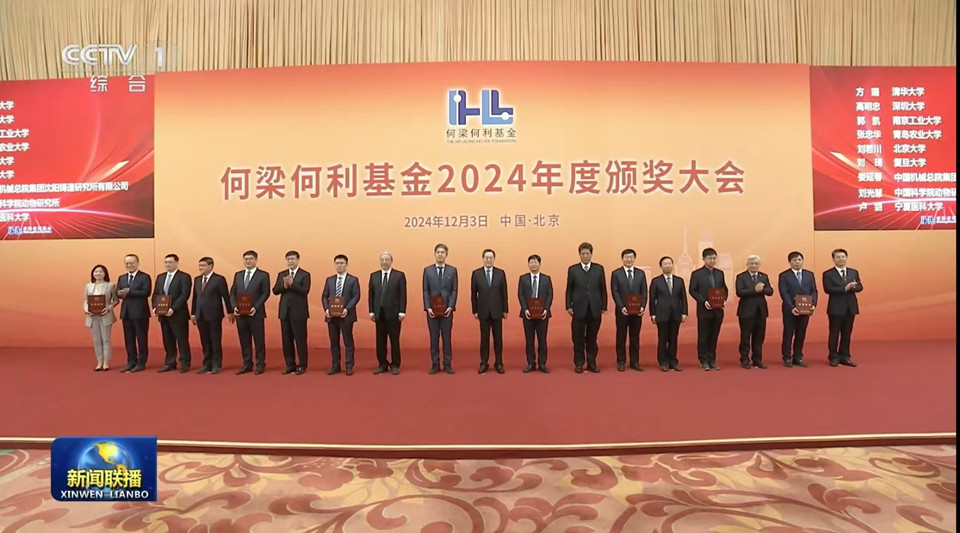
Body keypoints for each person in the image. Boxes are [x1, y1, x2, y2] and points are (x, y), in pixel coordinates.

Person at [566, 242, 607, 373]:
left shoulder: (599, 269)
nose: (585, 256)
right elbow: (569, 289)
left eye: (587, 253)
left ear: (591, 254)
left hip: (595, 308)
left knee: (592, 338)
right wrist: (568, 305)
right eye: (582, 254)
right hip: (578, 308)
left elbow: (603, 288)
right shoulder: (573, 269)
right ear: (579, 255)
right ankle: (579, 363)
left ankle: (592, 363)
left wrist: (604, 305)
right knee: (577, 338)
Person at [230, 250, 271, 374]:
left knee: (259, 340)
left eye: (250, 259)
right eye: (246, 259)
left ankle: (260, 364)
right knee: (244, 340)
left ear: (256, 260)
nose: (248, 261)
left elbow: (265, 293)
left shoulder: (263, 275)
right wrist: (234, 307)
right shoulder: (238, 275)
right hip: (240, 314)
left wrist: (256, 307)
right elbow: (233, 292)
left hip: (256, 313)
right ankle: (247, 363)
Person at [689, 247, 728, 371]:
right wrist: (703, 301)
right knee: (703, 336)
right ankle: (703, 360)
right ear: (704, 259)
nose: (712, 260)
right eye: (710, 258)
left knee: (714, 336)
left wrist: (724, 299)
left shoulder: (720, 273)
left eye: (714, 258)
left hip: (718, 310)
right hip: (704, 310)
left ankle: (712, 360)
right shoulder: (697, 274)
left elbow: (724, 289)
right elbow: (692, 290)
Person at [470, 249, 509, 374]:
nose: (488, 260)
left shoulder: (500, 273)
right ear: (483, 258)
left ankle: (499, 363)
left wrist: (505, 309)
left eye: (491, 258)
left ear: (494, 259)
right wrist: (475, 310)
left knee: (498, 339)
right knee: (484, 339)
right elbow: (473, 294)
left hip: (497, 311)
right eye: (486, 258)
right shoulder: (476, 274)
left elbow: (504, 292)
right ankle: (484, 363)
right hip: (483, 311)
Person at [191, 257, 232, 374]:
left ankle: (216, 364)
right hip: (200, 315)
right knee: (204, 341)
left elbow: (226, 296)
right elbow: (195, 297)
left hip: (214, 315)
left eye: (203, 265)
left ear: (211, 266)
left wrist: (230, 312)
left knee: (215, 340)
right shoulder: (197, 279)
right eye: (200, 266)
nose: (201, 268)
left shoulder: (219, 279)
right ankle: (206, 364)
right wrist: (193, 313)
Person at [273, 251, 311, 375]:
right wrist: (284, 285)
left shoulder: (305, 274)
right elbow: (275, 290)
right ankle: (290, 364)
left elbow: (305, 290)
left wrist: (292, 284)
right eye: (288, 259)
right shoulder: (282, 274)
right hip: (284, 312)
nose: (290, 261)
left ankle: (302, 365)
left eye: (292, 259)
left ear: (298, 260)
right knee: (286, 340)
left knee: (300, 340)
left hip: (299, 312)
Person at [822, 248, 862, 367]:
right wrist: (845, 288)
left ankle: (845, 356)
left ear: (846, 258)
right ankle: (833, 357)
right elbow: (828, 289)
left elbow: (860, 286)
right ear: (833, 259)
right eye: (838, 257)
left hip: (850, 307)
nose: (841, 259)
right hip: (836, 308)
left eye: (843, 257)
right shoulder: (828, 274)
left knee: (847, 334)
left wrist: (854, 287)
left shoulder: (853, 272)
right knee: (834, 333)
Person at [321, 254, 361, 375]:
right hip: (331, 316)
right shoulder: (330, 280)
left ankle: (349, 366)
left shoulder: (353, 280)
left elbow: (356, 296)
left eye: (342, 263)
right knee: (334, 342)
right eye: (337, 263)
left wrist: (347, 309)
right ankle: (335, 365)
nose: (339, 265)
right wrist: (326, 309)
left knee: (348, 341)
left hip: (346, 315)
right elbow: (324, 296)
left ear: (346, 264)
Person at [368, 251, 407, 375]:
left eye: (387, 260)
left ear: (391, 261)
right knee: (380, 341)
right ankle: (382, 364)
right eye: (382, 260)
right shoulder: (374, 276)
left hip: (394, 314)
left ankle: (395, 364)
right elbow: (371, 295)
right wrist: (371, 311)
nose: (384, 262)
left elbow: (403, 294)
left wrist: (402, 311)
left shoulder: (399, 275)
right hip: (379, 314)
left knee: (394, 341)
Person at [154, 254, 193, 373]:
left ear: (177, 263)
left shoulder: (184, 277)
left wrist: (173, 309)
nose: (167, 264)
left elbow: (184, 295)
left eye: (170, 262)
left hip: (178, 314)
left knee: (182, 340)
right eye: (166, 262)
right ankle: (170, 362)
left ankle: (185, 363)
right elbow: (155, 294)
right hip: (163, 315)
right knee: (168, 340)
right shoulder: (160, 277)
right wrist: (155, 307)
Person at [422, 243, 458, 374]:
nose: (440, 255)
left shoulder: (452, 270)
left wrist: (451, 306)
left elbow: (454, 290)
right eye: (438, 252)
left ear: (446, 255)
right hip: (432, 311)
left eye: (443, 252)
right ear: (434, 254)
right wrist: (427, 307)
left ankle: (447, 364)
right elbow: (425, 290)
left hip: (447, 311)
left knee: (447, 338)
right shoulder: (428, 270)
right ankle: (435, 364)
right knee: (434, 338)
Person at [778, 251, 817, 368]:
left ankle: (798, 356)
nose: (797, 262)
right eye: (794, 260)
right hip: (790, 310)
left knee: (801, 334)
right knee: (788, 334)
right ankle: (787, 357)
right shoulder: (784, 275)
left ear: (803, 261)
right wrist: (791, 307)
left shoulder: (809, 274)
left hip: (805, 310)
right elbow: (784, 293)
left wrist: (813, 304)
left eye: (799, 260)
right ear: (790, 262)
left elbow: (814, 291)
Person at [610, 248, 647, 371]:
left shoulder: (641, 273)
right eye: (626, 257)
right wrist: (621, 307)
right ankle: (621, 362)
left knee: (635, 337)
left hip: (637, 311)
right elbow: (615, 291)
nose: (629, 259)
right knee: (621, 337)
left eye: (631, 257)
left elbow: (644, 291)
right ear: (622, 259)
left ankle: (634, 362)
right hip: (622, 311)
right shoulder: (616, 273)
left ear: (634, 258)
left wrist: (642, 306)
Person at [649, 256, 688, 371]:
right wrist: (653, 314)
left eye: (669, 263)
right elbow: (652, 298)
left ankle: (673, 361)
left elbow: (683, 298)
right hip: (661, 314)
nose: (668, 266)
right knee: (663, 339)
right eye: (665, 264)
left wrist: (684, 312)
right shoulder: (656, 281)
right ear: (661, 266)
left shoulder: (679, 280)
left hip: (676, 314)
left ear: (673, 265)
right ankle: (663, 362)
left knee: (673, 339)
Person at [734, 255, 773, 369]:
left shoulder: (763, 276)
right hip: (746, 312)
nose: (754, 266)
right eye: (751, 263)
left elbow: (770, 291)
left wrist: (763, 289)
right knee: (745, 337)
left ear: (759, 265)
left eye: (756, 263)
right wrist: (755, 290)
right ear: (747, 264)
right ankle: (744, 359)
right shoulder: (741, 276)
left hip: (761, 312)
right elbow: (739, 292)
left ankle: (757, 359)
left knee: (759, 337)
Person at [518, 254, 553, 373]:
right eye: (531, 262)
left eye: (535, 262)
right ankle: (531, 363)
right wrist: (525, 309)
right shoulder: (523, 278)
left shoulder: (546, 279)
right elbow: (521, 295)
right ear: (528, 264)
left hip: (543, 314)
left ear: (539, 264)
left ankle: (542, 363)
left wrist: (546, 309)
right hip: (528, 314)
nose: (533, 264)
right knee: (529, 340)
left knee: (542, 340)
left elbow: (550, 294)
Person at [117, 254, 151, 373]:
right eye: (127, 263)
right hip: (126, 313)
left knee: (141, 338)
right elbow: (118, 292)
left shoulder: (145, 277)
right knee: (129, 339)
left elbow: (146, 292)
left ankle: (141, 362)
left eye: (131, 263)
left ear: (137, 263)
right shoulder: (122, 277)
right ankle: (131, 361)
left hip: (140, 313)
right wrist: (119, 293)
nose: (129, 265)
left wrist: (130, 292)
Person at [84, 264, 118, 371]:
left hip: (105, 316)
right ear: (93, 274)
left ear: (105, 273)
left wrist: (108, 308)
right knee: (96, 340)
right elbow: (85, 301)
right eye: (96, 272)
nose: (98, 273)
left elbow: (116, 300)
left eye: (100, 271)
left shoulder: (111, 286)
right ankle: (99, 361)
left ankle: (106, 362)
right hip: (92, 317)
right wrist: (87, 309)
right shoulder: (88, 286)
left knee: (106, 339)